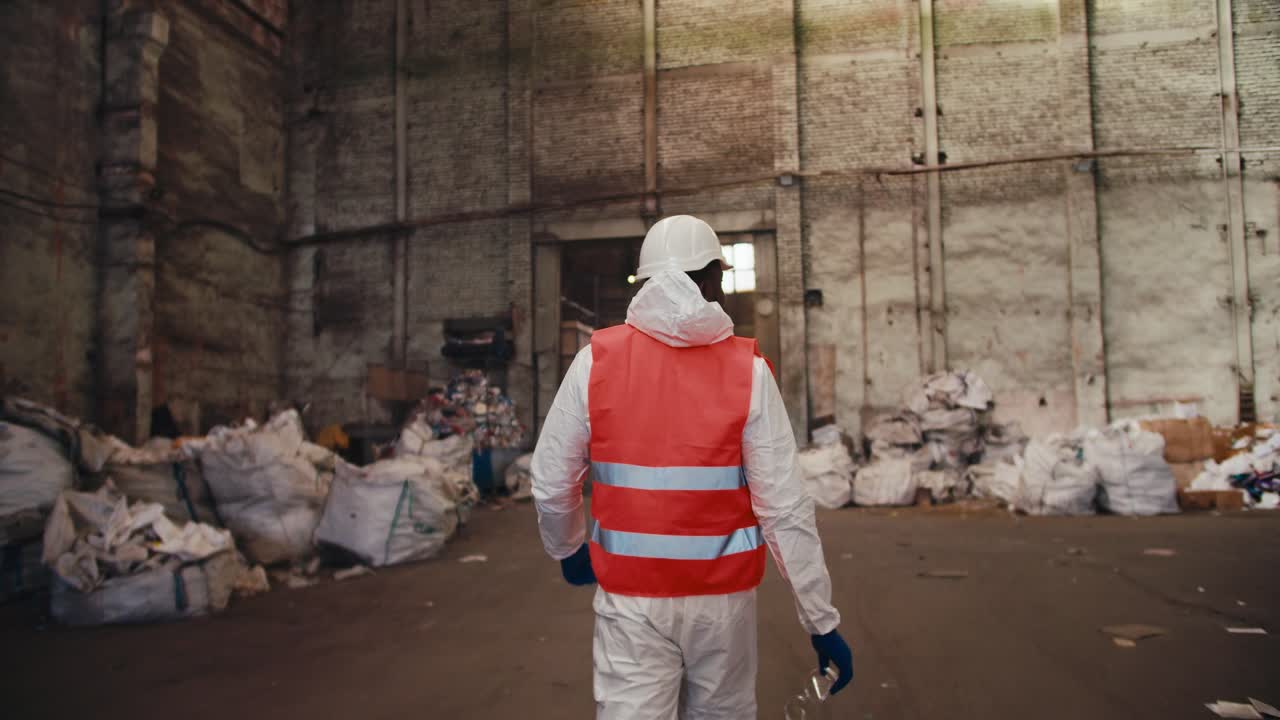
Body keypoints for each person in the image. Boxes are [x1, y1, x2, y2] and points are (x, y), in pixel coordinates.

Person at [531, 215, 854, 719]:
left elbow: (552, 481)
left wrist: (568, 547)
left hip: (631, 601)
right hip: (723, 605)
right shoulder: (748, 371)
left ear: (645, 280)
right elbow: (785, 509)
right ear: (709, 280)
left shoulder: (596, 362)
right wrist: (820, 620)